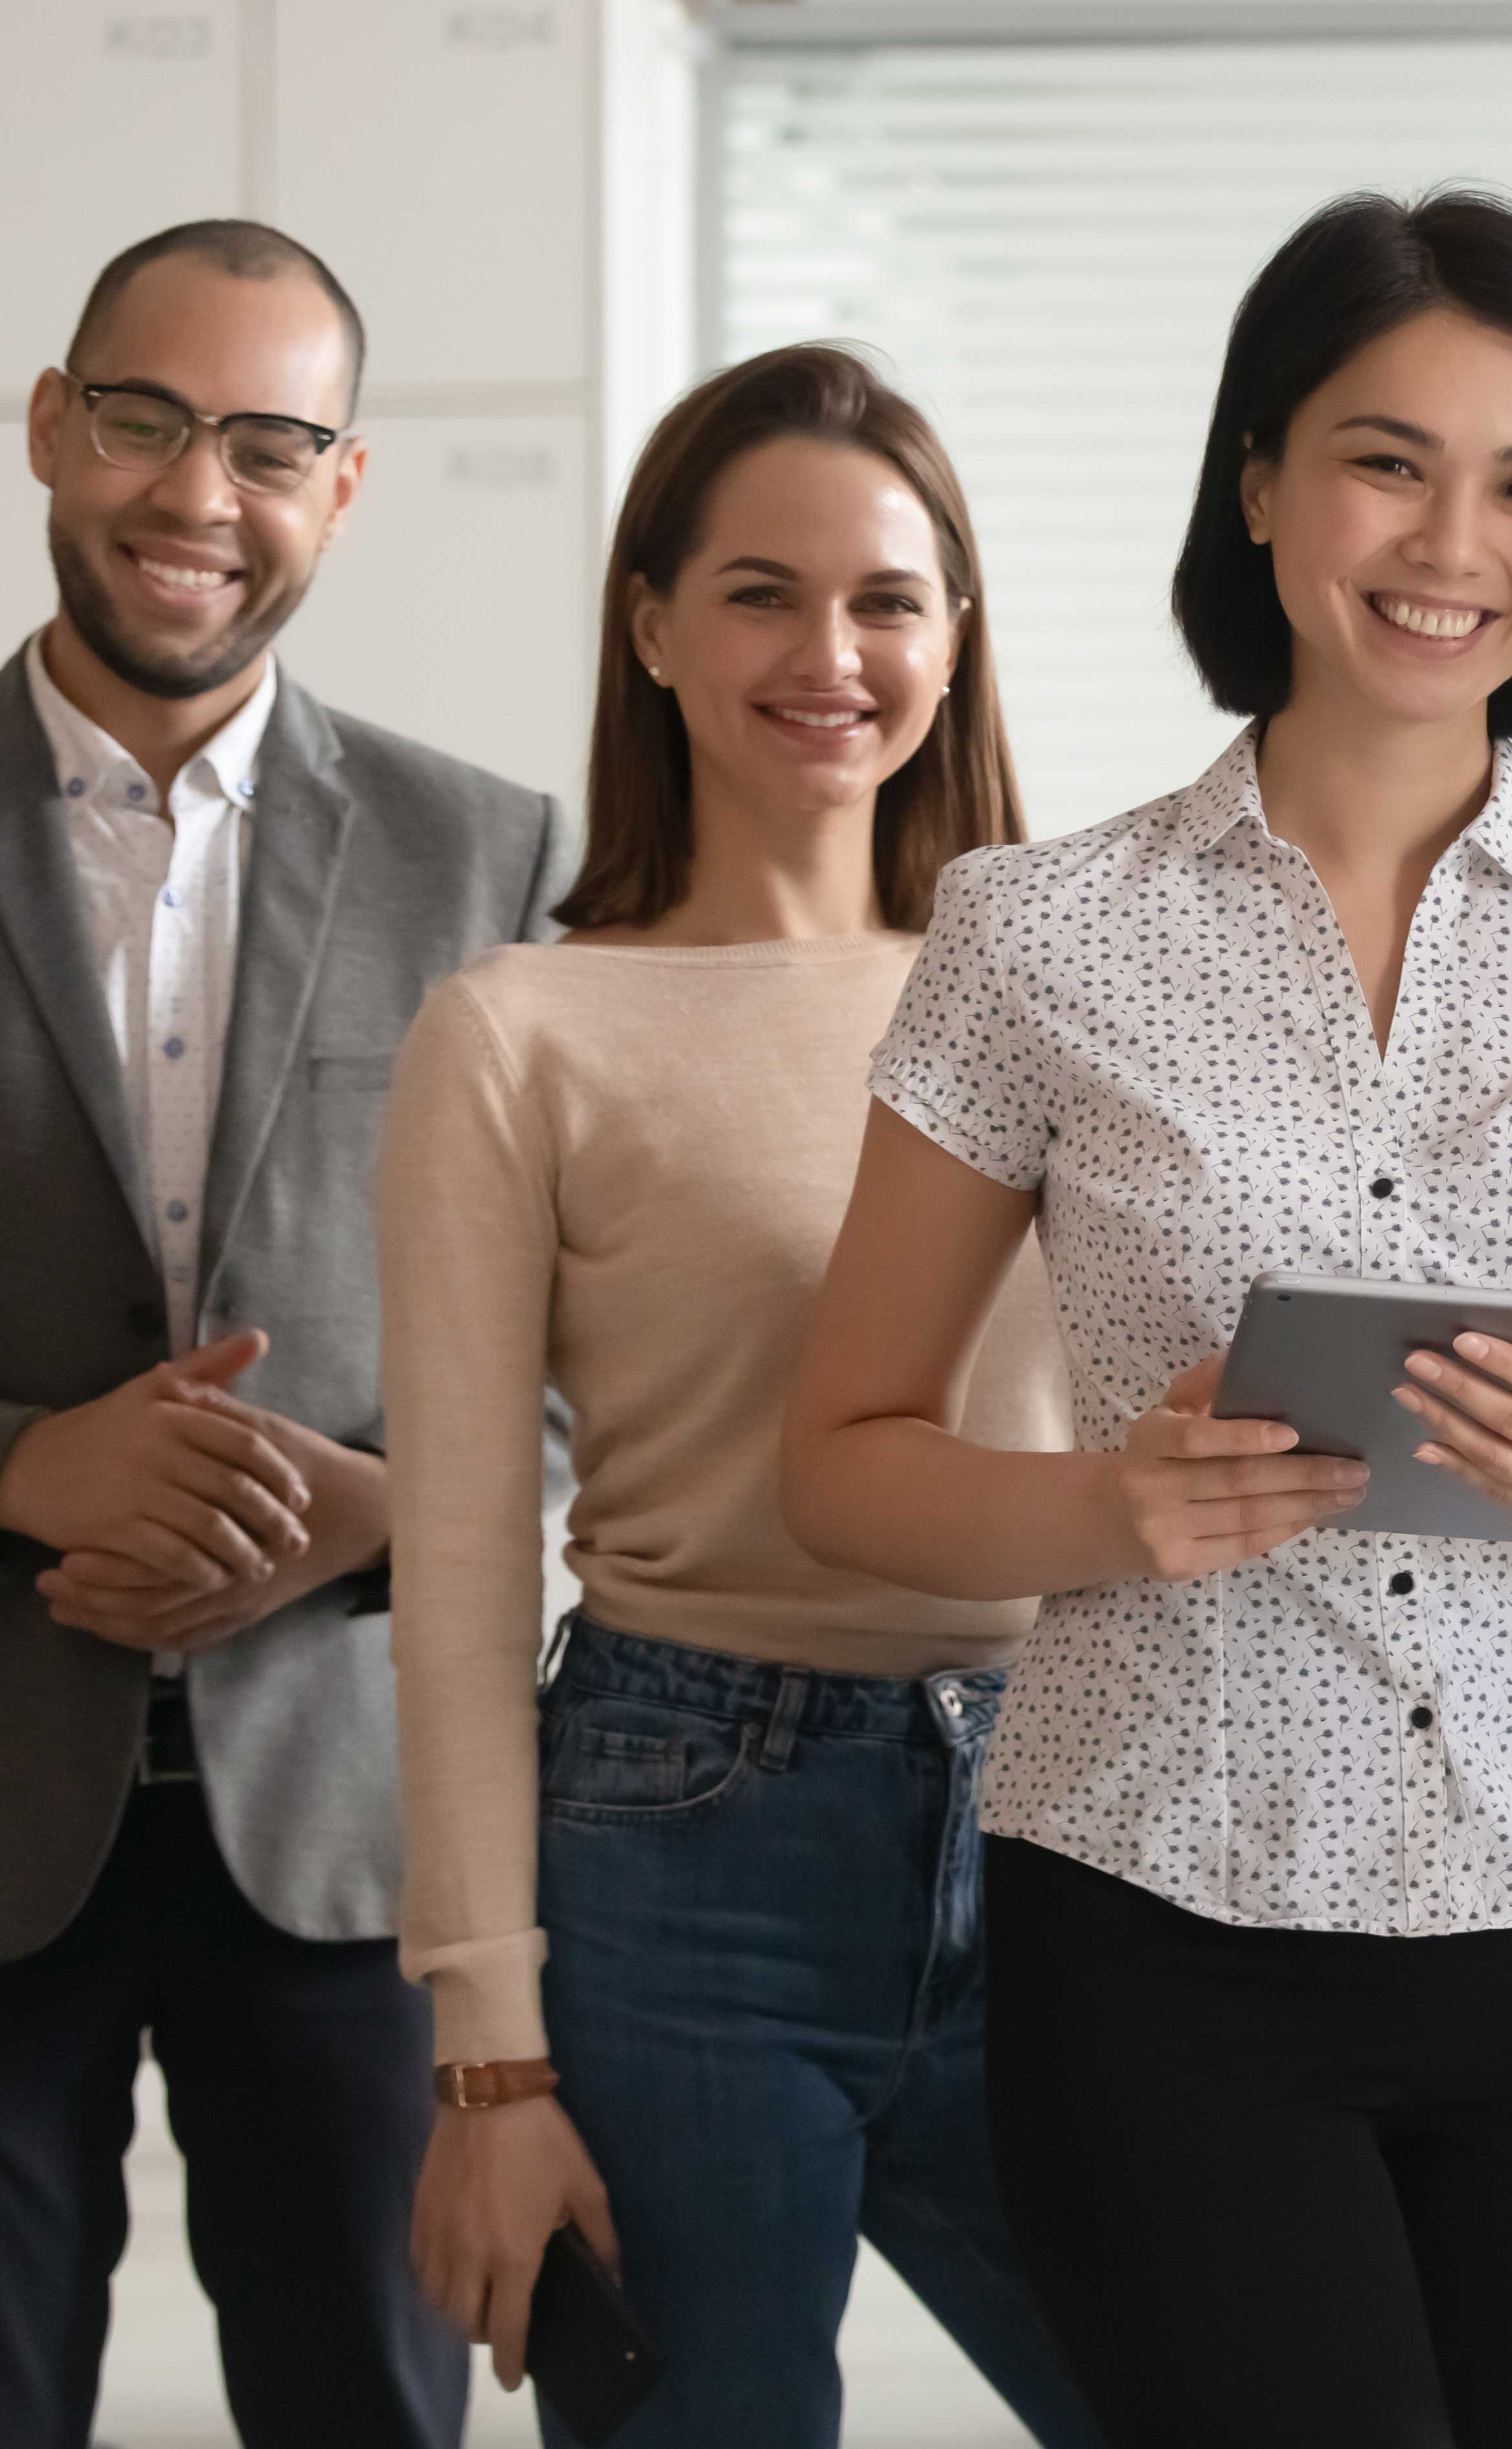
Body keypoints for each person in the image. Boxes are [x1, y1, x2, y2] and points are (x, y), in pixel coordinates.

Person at [777, 189, 1512, 2446]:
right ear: (1259, 484)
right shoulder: (1034, 935)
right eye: (1386, 458)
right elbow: (840, 1459)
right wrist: (1096, 1507)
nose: (1456, 538)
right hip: (1158, 1930)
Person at [0, 221, 567, 2445]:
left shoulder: (489, 857)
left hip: (348, 1822)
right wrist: (16, 1472)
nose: (196, 496)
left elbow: (609, 1369)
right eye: (145, 419)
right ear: (51, 423)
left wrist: (391, 1519)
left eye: (269, 443)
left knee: (369, 2414)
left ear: (343, 484)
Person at [379, 344, 1104, 2443]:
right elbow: (451, 1567)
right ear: (654, 625)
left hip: (1076, 1815)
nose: (832, 653)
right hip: (685, 1842)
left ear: (956, 638)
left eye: (888, 598)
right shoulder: (524, 1030)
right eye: (763, 592)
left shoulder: (1072, 980)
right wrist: (490, 2061)